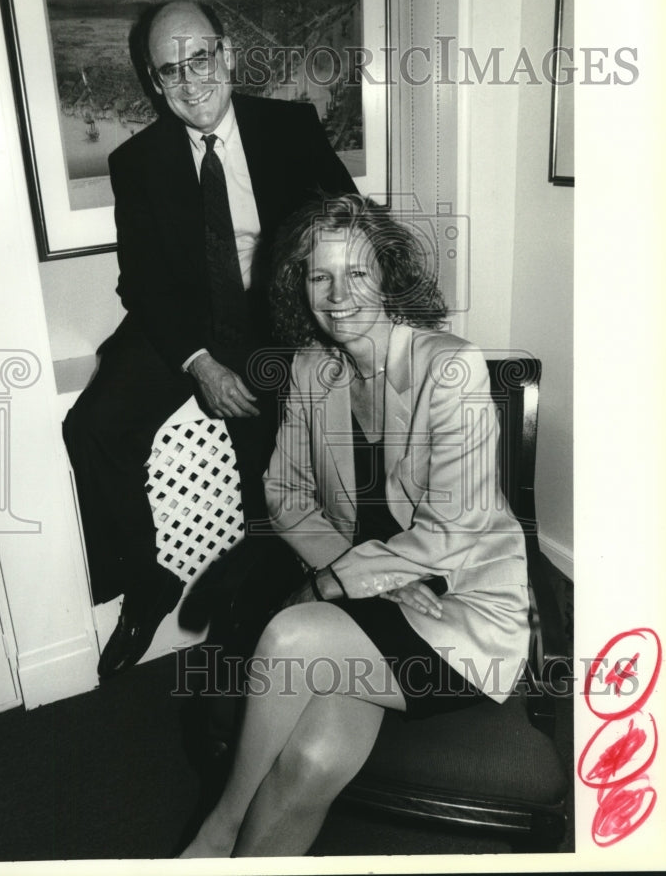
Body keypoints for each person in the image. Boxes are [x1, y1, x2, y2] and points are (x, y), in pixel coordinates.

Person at [180, 195, 531, 858]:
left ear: (389, 277)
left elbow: (453, 531)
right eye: (320, 277)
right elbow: (284, 493)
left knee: (290, 633)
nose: (338, 297)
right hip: (373, 598)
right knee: (310, 760)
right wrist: (354, 577)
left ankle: (218, 825)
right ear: (299, 283)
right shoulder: (314, 369)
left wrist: (330, 586)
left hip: (458, 606)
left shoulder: (449, 369)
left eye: (358, 275)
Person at [62, 0, 355, 679]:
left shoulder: (288, 127)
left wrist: (329, 331)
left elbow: (348, 221)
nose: (191, 82)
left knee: (272, 468)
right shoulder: (137, 162)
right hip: (183, 325)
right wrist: (198, 363)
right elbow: (143, 284)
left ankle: (262, 612)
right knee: (94, 427)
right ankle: (149, 579)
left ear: (226, 54)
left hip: (274, 323)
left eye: (201, 59)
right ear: (153, 79)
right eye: (172, 70)